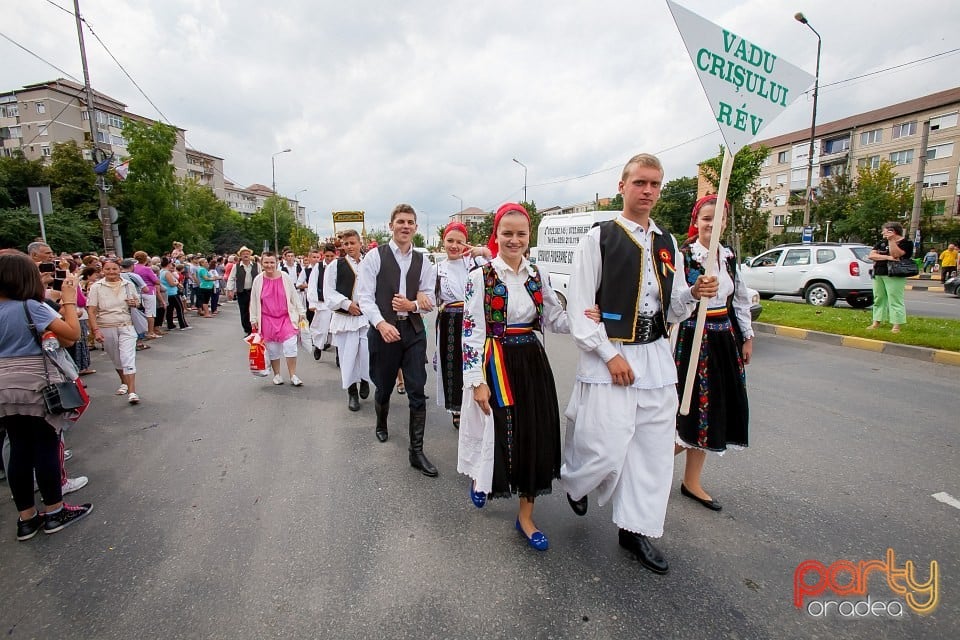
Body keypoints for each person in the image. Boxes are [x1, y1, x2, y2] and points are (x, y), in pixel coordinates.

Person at [560, 153, 717, 575]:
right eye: (640, 183)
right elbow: (579, 310)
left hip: (655, 357)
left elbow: (676, 307)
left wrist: (694, 292)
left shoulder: (667, 242)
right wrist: (610, 356)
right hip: (610, 352)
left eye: (655, 185)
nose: (648, 191)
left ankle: (635, 530)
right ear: (623, 186)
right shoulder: (599, 238)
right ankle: (577, 480)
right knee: (606, 444)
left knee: (651, 452)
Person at [457, 203, 574, 551]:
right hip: (496, 362)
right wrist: (476, 381)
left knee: (533, 435)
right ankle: (481, 479)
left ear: (529, 236)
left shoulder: (538, 275)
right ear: (496, 235)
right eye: (507, 233)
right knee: (496, 431)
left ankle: (526, 515)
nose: (514, 239)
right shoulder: (481, 277)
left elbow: (554, 319)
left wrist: (589, 319)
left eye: (521, 233)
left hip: (532, 362)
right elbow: (472, 332)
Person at [0, 252, 93, 540]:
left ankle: (26, 519)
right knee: (44, 445)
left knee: (18, 448)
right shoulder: (31, 307)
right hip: (35, 384)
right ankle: (54, 511)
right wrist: (67, 298)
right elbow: (71, 334)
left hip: (3, 387)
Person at [673, 196, 754, 512]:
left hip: (723, 338)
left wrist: (746, 337)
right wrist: (693, 292)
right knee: (688, 411)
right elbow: (674, 300)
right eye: (706, 218)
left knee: (713, 413)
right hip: (693, 338)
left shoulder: (729, 257)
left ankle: (691, 482)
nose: (712, 223)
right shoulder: (685, 257)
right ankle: (644, 468)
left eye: (718, 218)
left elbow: (741, 299)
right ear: (697, 221)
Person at [357, 204, 438, 476]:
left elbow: (429, 299)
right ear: (391, 225)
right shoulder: (374, 257)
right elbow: (365, 298)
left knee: (417, 389)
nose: (406, 226)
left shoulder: (423, 261)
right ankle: (381, 422)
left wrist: (413, 304)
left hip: (413, 332)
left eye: (411, 222)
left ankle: (416, 451)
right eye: (401, 221)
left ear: (416, 227)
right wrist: (380, 323)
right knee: (383, 386)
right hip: (384, 333)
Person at [435, 221, 491, 429]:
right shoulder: (438, 268)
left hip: (475, 319)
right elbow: (429, 296)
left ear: (467, 244)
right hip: (450, 320)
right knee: (453, 364)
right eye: (450, 240)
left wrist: (484, 251)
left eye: (460, 242)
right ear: (443, 242)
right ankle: (457, 408)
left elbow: (497, 269)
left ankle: (479, 401)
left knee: (477, 362)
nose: (455, 246)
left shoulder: (476, 265)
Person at [324, 231, 371, 410]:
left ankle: (365, 380)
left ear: (360, 243)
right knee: (347, 356)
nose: (349, 246)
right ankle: (352, 392)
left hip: (366, 318)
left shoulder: (369, 263)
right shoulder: (336, 265)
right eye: (346, 244)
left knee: (367, 353)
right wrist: (346, 303)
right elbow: (328, 292)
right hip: (346, 318)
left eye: (352, 243)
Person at [87, 259, 143, 404]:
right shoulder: (96, 287)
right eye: (108, 269)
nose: (111, 272)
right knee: (116, 358)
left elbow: (138, 301)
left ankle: (132, 392)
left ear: (119, 270)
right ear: (103, 271)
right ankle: (124, 382)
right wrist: (96, 331)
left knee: (127, 357)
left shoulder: (128, 285)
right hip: (106, 326)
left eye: (114, 269)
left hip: (126, 325)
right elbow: (91, 311)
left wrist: (134, 303)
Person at [250, 251, 305, 386]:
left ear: (277, 263)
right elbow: (254, 301)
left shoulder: (285, 277)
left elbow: (294, 296)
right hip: (267, 319)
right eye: (266, 262)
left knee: (290, 346)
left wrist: (301, 312)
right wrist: (254, 319)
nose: (269, 265)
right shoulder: (258, 280)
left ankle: (293, 375)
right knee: (273, 349)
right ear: (262, 264)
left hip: (286, 317)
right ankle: (277, 375)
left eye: (272, 262)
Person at [867, 222, 913, 334]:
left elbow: (896, 254)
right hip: (879, 272)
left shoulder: (906, 243)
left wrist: (892, 241)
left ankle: (896, 325)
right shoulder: (881, 243)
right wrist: (887, 257)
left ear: (893, 231)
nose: (883, 232)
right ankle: (876, 321)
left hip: (895, 273)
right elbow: (872, 255)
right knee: (878, 298)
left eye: (885, 230)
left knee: (895, 299)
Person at [306, 244, 336, 360]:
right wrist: (312, 303)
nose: (329, 258)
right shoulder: (318, 267)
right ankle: (318, 346)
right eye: (327, 256)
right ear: (323, 255)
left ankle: (339, 353)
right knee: (321, 328)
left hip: (335, 303)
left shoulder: (338, 265)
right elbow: (312, 285)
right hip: (322, 302)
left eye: (331, 256)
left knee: (336, 328)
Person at [227, 246, 259, 335]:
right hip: (242, 291)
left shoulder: (256, 265)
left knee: (255, 309)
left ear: (250, 255)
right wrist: (230, 289)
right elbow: (231, 278)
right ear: (240, 256)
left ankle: (256, 328)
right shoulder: (236, 266)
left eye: (247, 253)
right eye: (243, 254)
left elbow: (261, 277)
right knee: (244, 311)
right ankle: (248, 330)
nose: (246, 255)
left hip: (254, 291)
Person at [133, 251, 163, 338]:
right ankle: (150, 332)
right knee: (150, 313)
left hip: (137, 292)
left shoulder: (134, 268)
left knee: (140, 312)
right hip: (149, 291)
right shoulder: (147, 269)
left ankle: (141, 331)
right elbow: (156, 281)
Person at [160, 257, 190, 330]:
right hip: (172, 293)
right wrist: (177, 283)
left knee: (170, 310)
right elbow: (171, 283)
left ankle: (170, 325)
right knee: (180, 308)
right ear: (168, 264)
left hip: (168, 293)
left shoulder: (162, 271)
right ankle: (183, 325)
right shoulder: (166, 272)